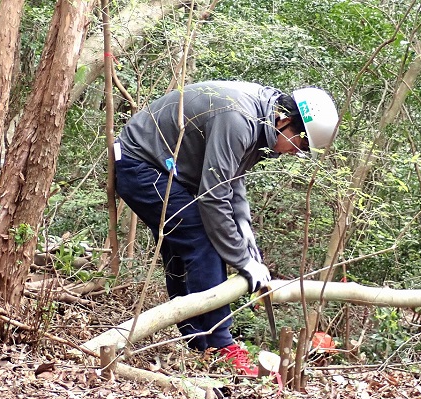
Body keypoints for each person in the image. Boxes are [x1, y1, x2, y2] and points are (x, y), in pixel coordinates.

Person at [114, 81, 338, 376]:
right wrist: (242, 261)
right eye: (301, 144)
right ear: (287, 122)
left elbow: (233, 180)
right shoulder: (240, 119)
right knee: (201, 237)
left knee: (182, 245)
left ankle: (199, 341)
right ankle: (220, 346)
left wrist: (246, 233)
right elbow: (213, 196)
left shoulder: (262, 120)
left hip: (167, 169)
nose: (296, 153)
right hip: (138, 163)